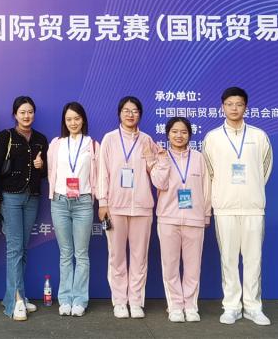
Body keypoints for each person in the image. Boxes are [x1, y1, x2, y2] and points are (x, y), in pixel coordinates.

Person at [202, 87, 274, 326]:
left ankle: (253, 307)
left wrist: (252, 188)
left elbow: (264, 169)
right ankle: (231, 306)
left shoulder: (259, 136)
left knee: (254, 259)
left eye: (239, 104)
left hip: (253, 207)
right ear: (222, 107)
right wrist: (224, 193)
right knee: (228, 259)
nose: (234, 108)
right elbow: (209, 172)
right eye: (230, 104)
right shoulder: (212, 138)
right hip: (224, 207)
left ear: (246, 107)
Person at [97, 96, 158, 319]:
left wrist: (155, 158)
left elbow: (155, 172)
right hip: (115, 206)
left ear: (140, 114)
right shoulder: (110, 139)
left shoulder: (147, 140)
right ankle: (120, 301)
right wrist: (103, 202)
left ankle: (136, 301)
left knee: (140, 257)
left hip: (142, 207)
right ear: (119, 113)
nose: (130, 114)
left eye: (135, 111)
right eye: (126, 110)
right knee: (117, 256)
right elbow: (102, 172)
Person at [0, 96, 48, 321]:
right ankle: (16, 301)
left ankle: (17, 294)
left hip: (32, 197)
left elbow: (47, 172)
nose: (26, 116)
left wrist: (42, 166)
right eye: (22, 112)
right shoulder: (6, 136)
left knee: (22, 248)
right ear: (15, 114)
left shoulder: (41, 139)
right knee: (14, 248)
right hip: (10, 197)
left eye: (30, 111)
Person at [150, 116, 212, 323]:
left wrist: (206, 213)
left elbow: (206, 187)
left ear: (190, 135)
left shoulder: (199, 158)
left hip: (195, 219)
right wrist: (163, 161)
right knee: (170, 265)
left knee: (193, 266)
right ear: (168, 134)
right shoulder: (161, 157)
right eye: (175, 131)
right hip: (168, 219)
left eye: (184, 132)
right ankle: (175, 305)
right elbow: (159, 183)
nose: (179, 135)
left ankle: (191, 305)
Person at [47, 102, 99, 317]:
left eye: (77, 118)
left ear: (83, 120)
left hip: (83, 203)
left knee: (81, 254)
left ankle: (79, 300)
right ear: (64, 122)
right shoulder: (56, 144)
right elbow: (51, 171)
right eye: (69, 119)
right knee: (66, 253)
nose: (73, 123)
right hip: (59, 202)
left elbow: (98, 175)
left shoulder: (92, 145)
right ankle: (65, 298)